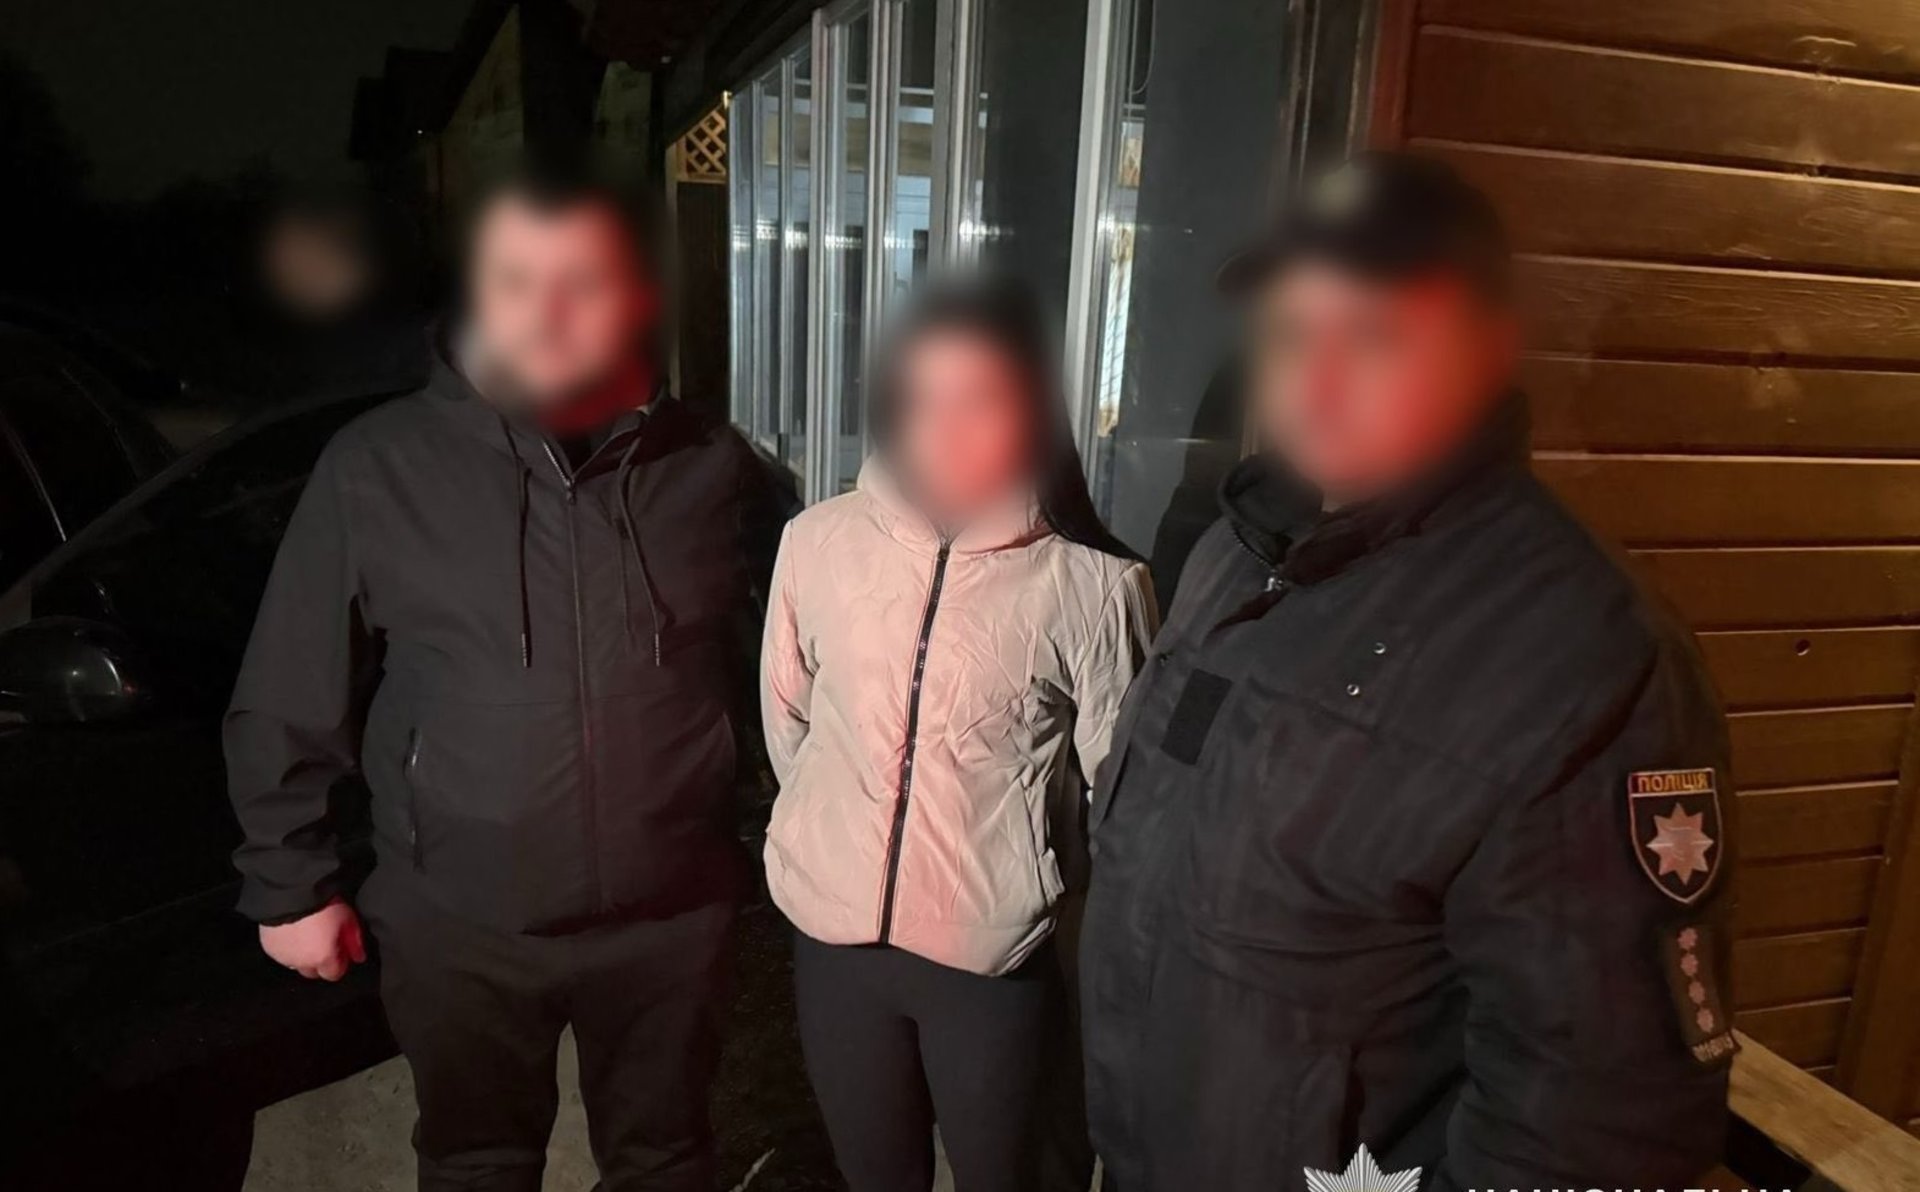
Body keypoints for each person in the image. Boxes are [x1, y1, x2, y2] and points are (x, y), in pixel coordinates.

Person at [1079, 153, 1735, 1190]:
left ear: (1488, 348)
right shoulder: (1238, 553)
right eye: (1291, 335)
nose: (1315, 383)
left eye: (1376, 335)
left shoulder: (1584, 659)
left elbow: (1605, 1119)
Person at [225, 173, 776, 1191]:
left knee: (667, 1156)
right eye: (520, 281)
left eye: (584, 281)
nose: (551, 311)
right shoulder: (379, 464)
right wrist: (289, 881)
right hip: (461, 921)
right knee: (477, 1158)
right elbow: (290, 683)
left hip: (671, 914)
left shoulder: (708, 463)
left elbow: (780, 654)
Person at [760, 278, 1157, 1192]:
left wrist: (1039, 881)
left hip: (991, 964)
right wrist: (840, 839)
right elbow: (790, 725)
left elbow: (1122, 794)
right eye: (923, 398)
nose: (944, 431)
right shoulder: (816, 543)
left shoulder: (1095, 584)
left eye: (980, 400)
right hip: (836, 948)